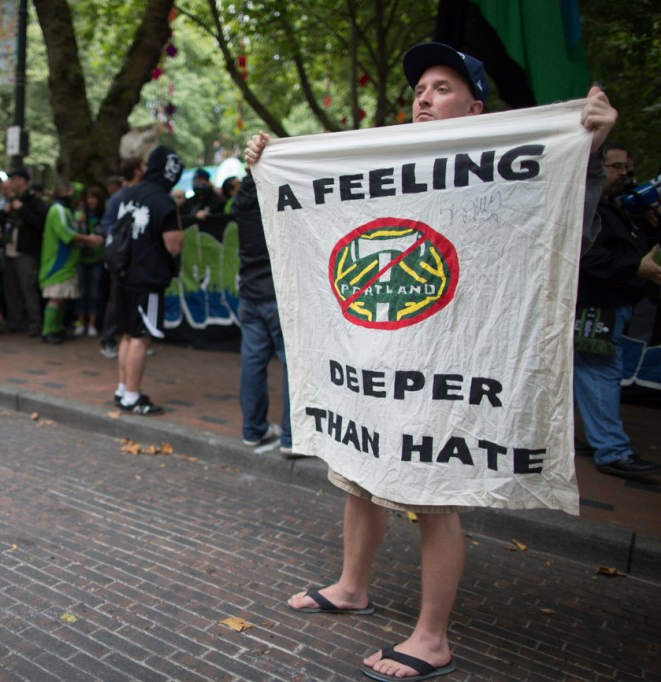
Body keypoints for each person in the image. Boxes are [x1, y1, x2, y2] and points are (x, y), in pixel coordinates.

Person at [246, 42, 618, 682]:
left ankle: (432, 638)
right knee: (358, 472)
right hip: (376, 355)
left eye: (442, 87)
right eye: (420, 87)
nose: (423, 96)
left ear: (476, 106)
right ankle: (351, 587)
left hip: (447, 363)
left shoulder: (504, 170)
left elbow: (560, 230)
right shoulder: (390, 160)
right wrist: (275, 161)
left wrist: (582, 151)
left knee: (434, 494)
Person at [573, 142, 661, 482]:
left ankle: (595, 439)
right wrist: (635, 267)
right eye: (616, 167)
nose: (625, 175)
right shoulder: (587, 206)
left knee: (586, 372)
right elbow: (587, 258)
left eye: (627, 168)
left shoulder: (615, 208)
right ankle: (612, 449)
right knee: (599, 373)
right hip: (596, 306)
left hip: (611, 303)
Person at [115, 145, 185, 415]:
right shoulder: (163, 200)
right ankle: (132, 396)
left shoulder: (129, 193)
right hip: (147, 278)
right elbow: (173, 244)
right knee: (140, 338)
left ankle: (123, 389)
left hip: (123, 274)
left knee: (127, 334)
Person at [234, 174, 292, 453]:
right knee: (293, 365)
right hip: (278, 294)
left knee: (253, 364)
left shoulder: (243, 201)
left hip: (250, 294)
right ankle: (292, 438)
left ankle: (253, 429)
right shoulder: (281, 198)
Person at [39, 181, 102, 344]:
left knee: (63, 297)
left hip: (68, 263)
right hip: (58, 262)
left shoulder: (66, 211)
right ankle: (48, 331)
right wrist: (89, 239)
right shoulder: (58, 210)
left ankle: (57, 328)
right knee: (56, 297)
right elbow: (65, 233)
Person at [98, 157, 146, 359]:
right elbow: (106, 225)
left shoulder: (136, 194)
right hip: (121, 258)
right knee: (116, 299)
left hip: (133, 257)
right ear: (136, 171)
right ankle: (108, 339)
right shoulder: (120, 197)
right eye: (143, 166)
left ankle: (134, 340)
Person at [0, 168, 46, 336]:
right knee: (10, 289)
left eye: (14, 178)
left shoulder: (34, 200)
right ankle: (14, 321)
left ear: (22, 180)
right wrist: (5, 212)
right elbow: (2, 222)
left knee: (28, 288)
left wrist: (22, 208)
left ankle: (35, 323)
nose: (11, 181)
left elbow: (40, 222)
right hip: (9, 250)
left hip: (26, 251)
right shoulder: (10, 199)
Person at [74, 184, 107, 337]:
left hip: (97, 259)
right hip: (82, 258)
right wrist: (79, 223)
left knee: (95, 291)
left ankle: (92, 323)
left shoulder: (104, 216)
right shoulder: (80, 215)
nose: (91, 201)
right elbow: (73, 234)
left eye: (94, 198)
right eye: (89, 198)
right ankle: (80, 322)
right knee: (81, 290)